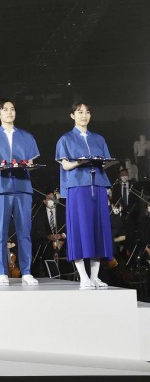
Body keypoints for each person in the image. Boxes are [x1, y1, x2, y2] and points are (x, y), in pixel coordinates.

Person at [0, 99, 40, 287]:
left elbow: (31, 164)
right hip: (1, 188)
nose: (10, 112)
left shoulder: (26, 136)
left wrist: (27, 165)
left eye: (12, 109)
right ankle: (2, 272)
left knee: (24, 231)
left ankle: (26, 271)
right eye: (5, 110)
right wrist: (0, 167)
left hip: (22, 188)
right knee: (0, 232)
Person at [56, 102, 113, 289]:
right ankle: (83, 277)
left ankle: (95, 276)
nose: (84, 115)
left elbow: (105, 162)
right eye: (80, 112)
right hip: (77, 187)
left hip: (97, 185)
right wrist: (80, 162)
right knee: (80, 230)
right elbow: (65, 165)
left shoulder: (99, 138)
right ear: (72, 115)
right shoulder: (65, 139)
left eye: (87, 112)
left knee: (97, 229)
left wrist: (103, 163)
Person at [31, 189, 66, 278]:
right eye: (48, 199)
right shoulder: (38, 214)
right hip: (46, 244)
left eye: (52, 198)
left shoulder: (63, 211)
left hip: (63, 243)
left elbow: (70, 228)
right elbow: (35, 232)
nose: (51, 201)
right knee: (45, 253)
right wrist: (47, 237)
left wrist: (62, 236)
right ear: (44, 201)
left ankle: (65, 275)